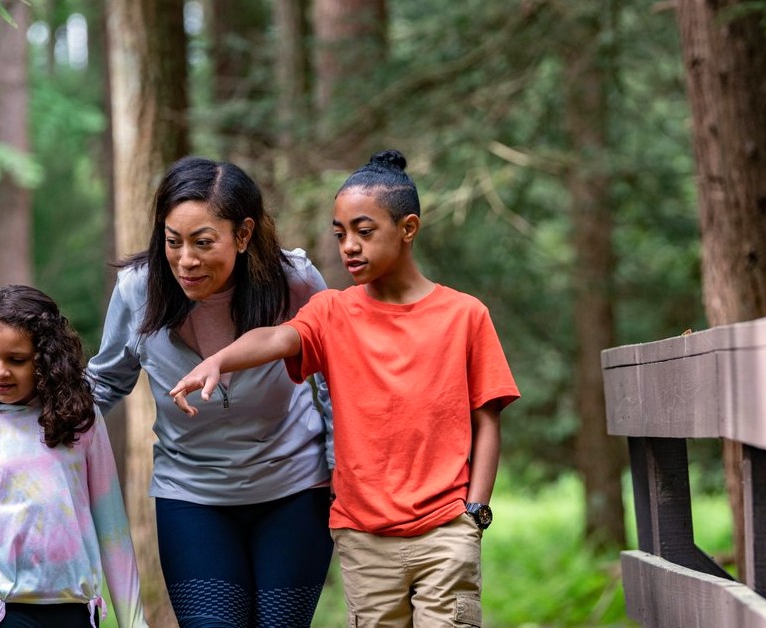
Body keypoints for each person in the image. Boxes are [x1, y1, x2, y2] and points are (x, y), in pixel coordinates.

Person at [170, 149, 521, 627]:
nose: (348, 246)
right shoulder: (332, 312)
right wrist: (218, 359)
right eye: (340, 235)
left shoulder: (465, 316)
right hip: (364, 539)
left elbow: (487, 420)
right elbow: (276, 336)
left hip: (445, 532)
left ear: (408, 228)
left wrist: (474, 513)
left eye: (364, 231)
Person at [87, 156, 334, 628]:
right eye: (172, 242)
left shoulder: (295, 281)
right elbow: (104, 381)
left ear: (243, 235)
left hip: (294, 488)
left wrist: (343, 470)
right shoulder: (138, 290)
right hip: (191, 495)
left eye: (203, 243)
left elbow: (332, 382)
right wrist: (23, 419)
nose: (185, 260)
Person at [0, 285, 147, 628]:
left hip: (76, 611)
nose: (0, 372)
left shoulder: (81, 423)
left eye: (16, 360)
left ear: (46, 359)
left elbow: (113, 529)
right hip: (4, 613)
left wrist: (135, 622)